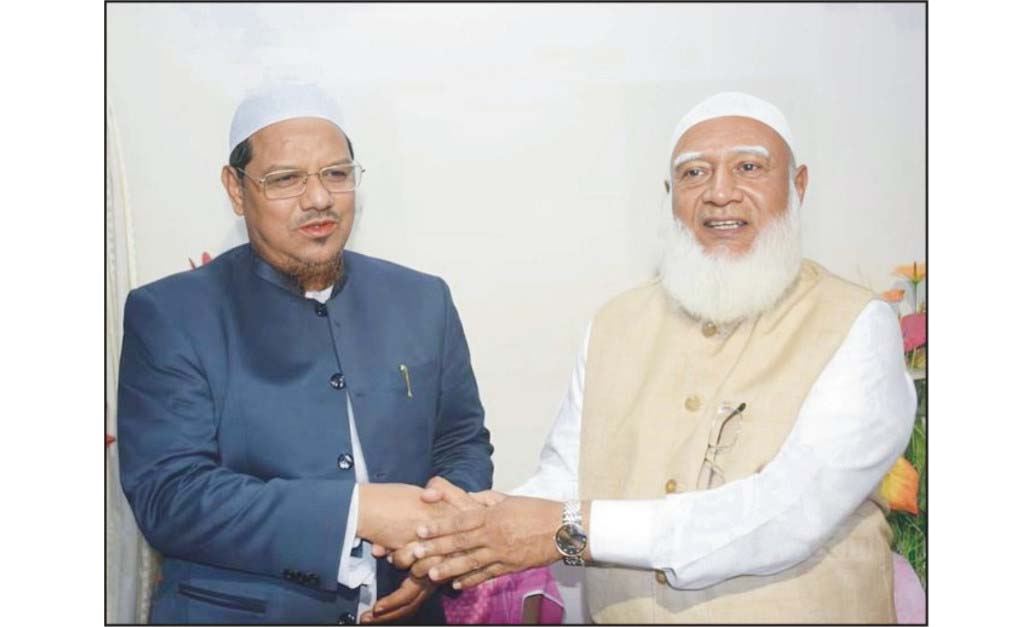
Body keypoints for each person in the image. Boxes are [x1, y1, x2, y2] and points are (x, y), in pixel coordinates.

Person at [388, 92, 917, 623]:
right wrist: (464, 531)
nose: (720, 193)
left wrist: (567, 530)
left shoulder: (855, 323)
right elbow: (567, 478)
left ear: (798, 185)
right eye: (694, 173)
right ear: (670, 195)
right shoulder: (614, 323)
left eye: (749, 167)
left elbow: (789, 513)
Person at [117, 83, 493, 624]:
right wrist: (358, 512)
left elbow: (461, 441)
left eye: (336, 174)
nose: (319, 198)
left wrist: (435, 547)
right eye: (285, 179)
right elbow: (171, 495)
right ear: (235, 188)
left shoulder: (421, 299)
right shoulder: (173, 313)